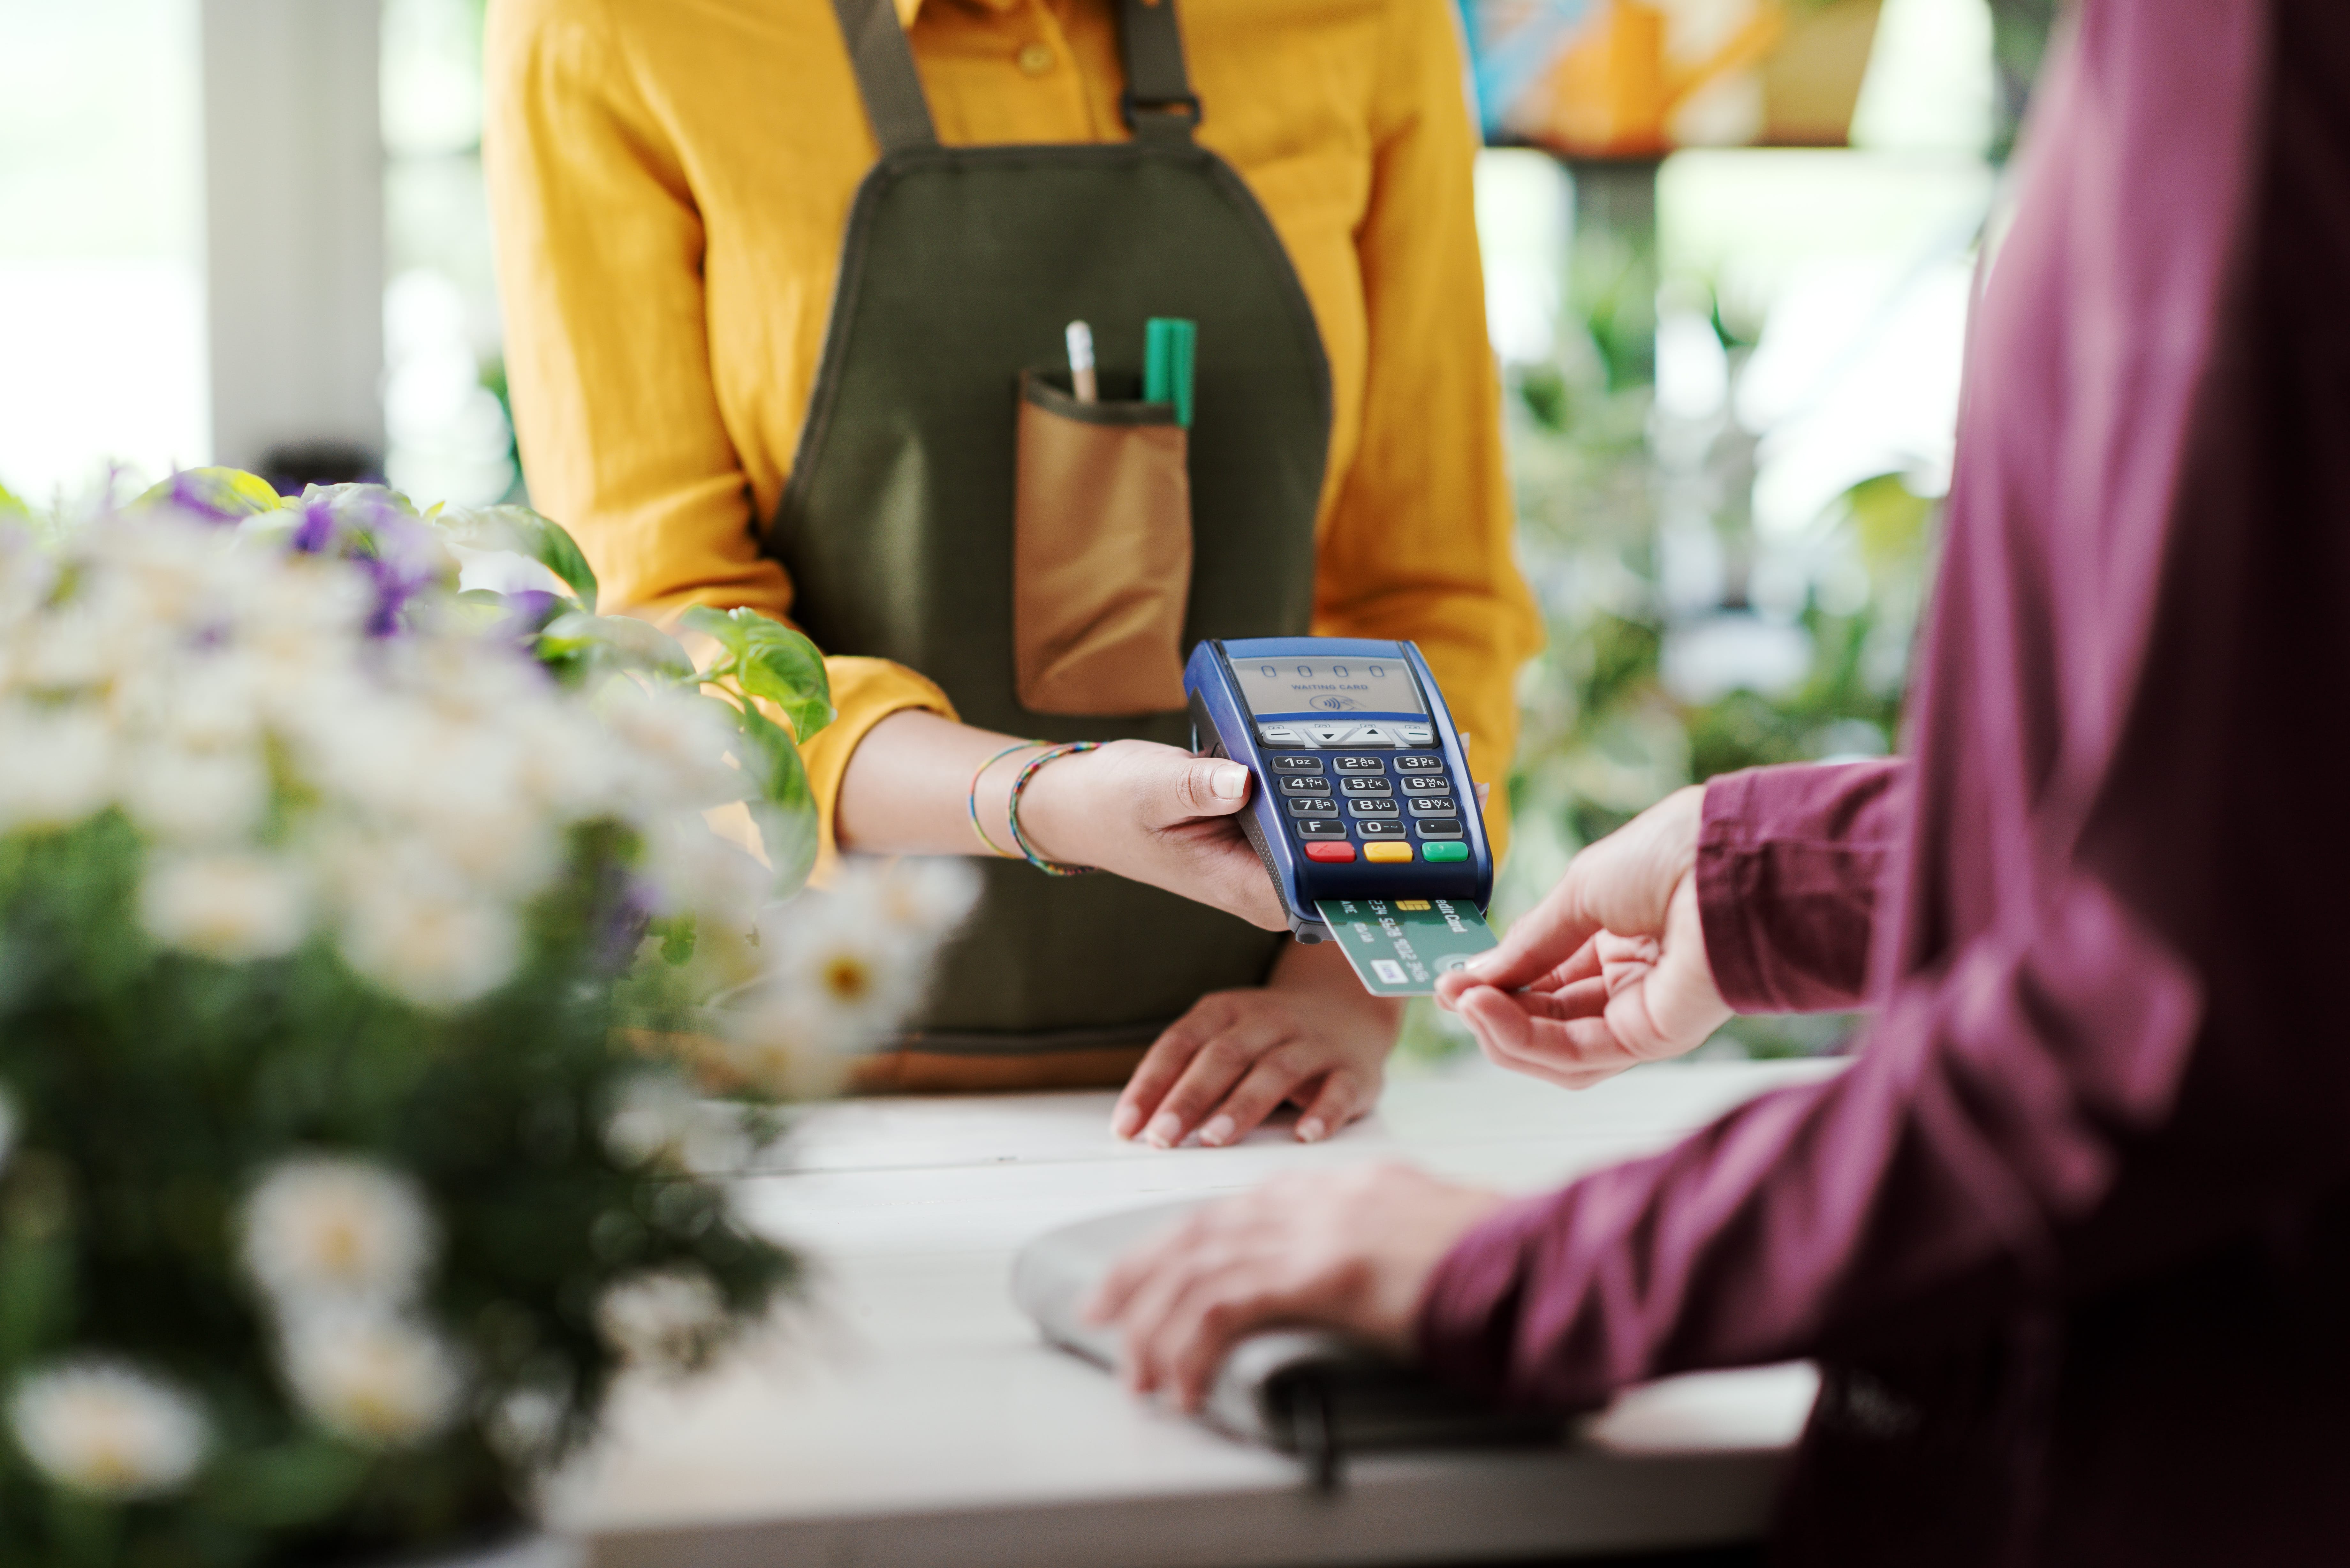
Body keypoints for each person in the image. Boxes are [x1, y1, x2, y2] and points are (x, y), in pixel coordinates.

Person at [1088, 2, 2350, 1559]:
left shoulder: (2248, 54)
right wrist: (1781, 874)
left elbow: (2171, 1023)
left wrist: (1530, 1270)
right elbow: (2285, 805)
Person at [484, 0, 1539, 1144]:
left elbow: (1430, 590)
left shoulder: (1371, 21)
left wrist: (1345, 992)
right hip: (774, 1105)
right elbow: (673, 637)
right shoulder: (610, 26)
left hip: (1244, 1110)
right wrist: (1047, 801)